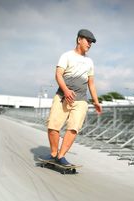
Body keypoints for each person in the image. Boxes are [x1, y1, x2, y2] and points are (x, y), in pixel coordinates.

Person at [43, 29, 102, 166]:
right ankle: (53, 153)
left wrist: (96, 102)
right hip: (62, 97)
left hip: (81, 100)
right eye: (88, 41)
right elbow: (58, 75)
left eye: (91, 42)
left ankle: (61, 155)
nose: (90, 44)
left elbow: (91, 84)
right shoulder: (66, 56)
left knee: (74, 128)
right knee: (53, 126)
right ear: (79, 40)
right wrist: (66, 90)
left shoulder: (89, 62)